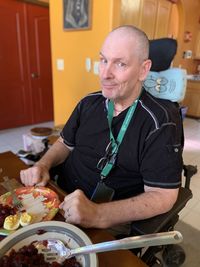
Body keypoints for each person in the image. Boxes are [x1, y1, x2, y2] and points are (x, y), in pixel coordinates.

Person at [20, 25, 183, 235]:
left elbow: (163, 196)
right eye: (103, 60)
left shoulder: (160, 122)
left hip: (108, 218)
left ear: (143, 70)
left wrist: (97, 213)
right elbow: (64, 143)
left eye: (120, 64)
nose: (105, 74)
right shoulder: (88, 103)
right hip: (60, 196)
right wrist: (43, 164)